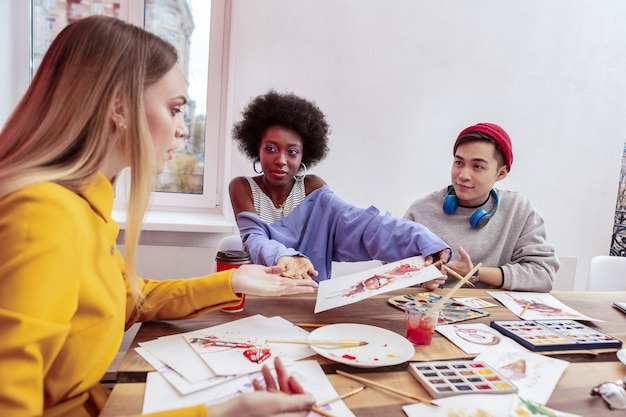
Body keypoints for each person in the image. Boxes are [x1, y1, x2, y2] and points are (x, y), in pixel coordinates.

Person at [0, 16, 318, 417]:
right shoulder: (44, 215)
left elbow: (131, 299)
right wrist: (222, 414)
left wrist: (234, 279)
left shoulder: (81, 207)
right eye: (175, 110)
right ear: (119, 106)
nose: (183, 130)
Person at [229, 91, 451, 282]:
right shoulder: (242, 187)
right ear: (256, 148)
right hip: (259, 296)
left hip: (309, 298)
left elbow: (362, 225)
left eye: (292, 152)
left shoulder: (313, 189)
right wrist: (286, 258)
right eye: (270, 149)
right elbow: (255, 240)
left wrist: (420, 238)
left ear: (305, 154)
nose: (281, 160)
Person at [403, 122, 560, 292]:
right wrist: (422, 280)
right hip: (432, 311)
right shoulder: (420, 211)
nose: (463, 175)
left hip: (496, 314)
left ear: (501, 173)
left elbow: (543, 274)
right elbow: (395, 273)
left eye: (477, 166)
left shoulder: (518, 209)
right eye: (459, 163)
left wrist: (474, 273)